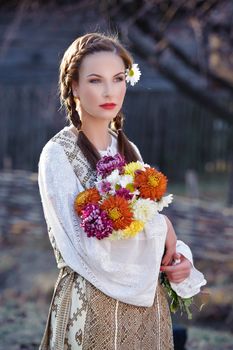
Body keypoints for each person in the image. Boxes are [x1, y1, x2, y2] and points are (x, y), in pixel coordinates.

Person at [38, 32, 206, 350]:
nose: (109, 91)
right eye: (95, 80)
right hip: (92, 311)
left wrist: (177, 259)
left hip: (145, 312)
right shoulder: (57, 155)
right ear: (73, 86)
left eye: (117, 79)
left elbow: (145, 227)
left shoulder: (129, 152)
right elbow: (86, 249)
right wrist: (164, 227)